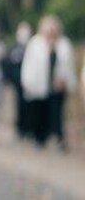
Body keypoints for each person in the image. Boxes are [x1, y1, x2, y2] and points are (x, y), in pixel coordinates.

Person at [21, 15, 77, 151]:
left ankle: (59, 139)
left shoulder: (63, 44)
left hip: (57, 86)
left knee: (57, 114)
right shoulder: (35, 43)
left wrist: (66, 81)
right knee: (40, 112)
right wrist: (28, 82)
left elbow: (68, 66)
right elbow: (29, 65)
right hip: (39, 85)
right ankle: (40, 138)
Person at [2, 21, 32, 139]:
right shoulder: (13, 48)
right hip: (17, 82)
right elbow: (7, 64)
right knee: (19, 106)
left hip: (31, 83)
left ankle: (30, 129)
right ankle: (20, 129)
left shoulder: (33, 46)